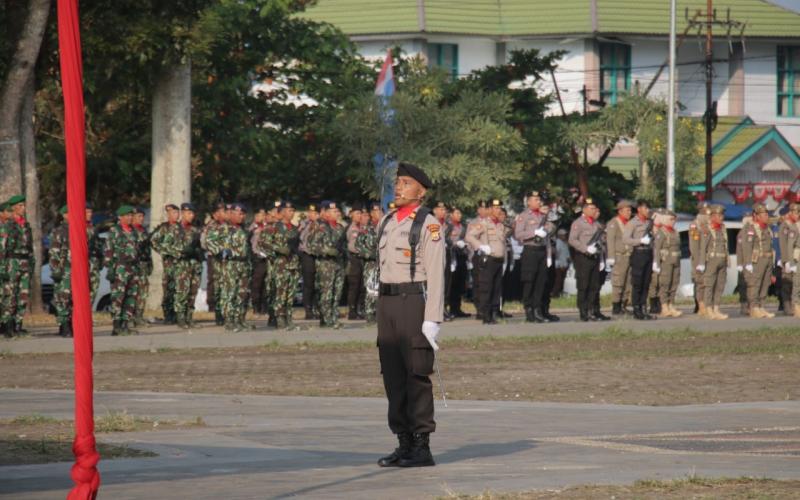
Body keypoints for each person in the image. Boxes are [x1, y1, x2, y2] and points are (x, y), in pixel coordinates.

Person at [375, 162, 444, 468]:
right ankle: (403, 442)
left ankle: (421, 445)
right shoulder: (387, 220)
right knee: (392, 375)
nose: (398, 187)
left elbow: (436, 274)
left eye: (405, 183)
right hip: (388, 302)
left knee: (416, 373)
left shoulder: (428, 224)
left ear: (421, 190)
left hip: (412, 301)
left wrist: (432, 319)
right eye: (397, 182)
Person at [259, 201, 301, 330]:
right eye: (289, 210)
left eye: (293, 210)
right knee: (280, 292)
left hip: (293, 264)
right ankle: (279, 317)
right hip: (280, 265)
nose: (292, 213)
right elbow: (263, 243)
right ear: (281, 212)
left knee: (290, 293)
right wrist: (278, 249)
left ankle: (288, 317)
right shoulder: (273, 227)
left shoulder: (294, 228)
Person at [466, 199, 508, 325]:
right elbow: (469, 236)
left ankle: (495, 313)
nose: (498, 210)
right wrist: (480, 246)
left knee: (496, 288)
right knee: (487, 287)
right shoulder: (483, 223)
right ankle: (486, 315)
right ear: (489, 210)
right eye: (495, 208)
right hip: (488, 259)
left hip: (499, 259)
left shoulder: (500, 225)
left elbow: (503, 243)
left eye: (499, 208)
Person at [515, 191, 553, 323]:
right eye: (535, 199)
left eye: (539, 199)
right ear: (529, 202)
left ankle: (537, 309)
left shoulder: (543, 216)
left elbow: (548, 235)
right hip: (530, 251)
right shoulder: (523, 216)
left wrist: (548, 255)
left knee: (540, 282)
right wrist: (534, 232)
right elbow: (518, 234)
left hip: (542, 251)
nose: (538, 202)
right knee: (529, 281)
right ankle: (529, 310)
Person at [307, 201, 346, 328]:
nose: (337, 213)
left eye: (338, 211)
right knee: (326, 292)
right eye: (334, 212)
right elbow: (311, 246)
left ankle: (334, 317)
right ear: (327, 214)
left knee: (337, 292)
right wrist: (326, 250)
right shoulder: (320, 227)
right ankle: (326, 318)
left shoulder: (340, 228)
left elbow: (344, 246)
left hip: (339, 263)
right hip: (325, 264)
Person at [105, 205, 140, 336]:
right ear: (120, 217)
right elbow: (109, 251)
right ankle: (116, 326)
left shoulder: (133, 231)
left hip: (133, 269)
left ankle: (126, 323)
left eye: (131, 215)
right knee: (118, 298)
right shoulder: (114, 231)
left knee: (131, 297)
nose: (130, 217)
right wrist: (110, 269)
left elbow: (137, 250)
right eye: (127, 215)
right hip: (120, 268)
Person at [568, 198, 604, 322]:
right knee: (584, 285)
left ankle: (591, 309)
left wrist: (598, 249)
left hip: (594, 257)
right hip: (583, 257)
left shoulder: (596, 223)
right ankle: (583, 311)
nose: (594, 210)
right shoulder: (578, 223)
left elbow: (601, 240)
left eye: (594, 208)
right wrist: (585, 248)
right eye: (591, 208)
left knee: (594, 285)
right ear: (584, 210)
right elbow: (572, 240)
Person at [4, 195, 34, 335]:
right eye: (20, 206)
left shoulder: (26, 226)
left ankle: (18, 324)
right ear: (14, 208)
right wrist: (3, 268)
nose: (23, 208)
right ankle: (8, 324)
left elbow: (30, 248)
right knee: (11, 295)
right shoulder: (8, 226)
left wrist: (32, 265)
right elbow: (2, 248)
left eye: (24, 205)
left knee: (24, 294)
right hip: (12, 262)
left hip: (25, 263)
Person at [172, 203, 204, 329]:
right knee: (182, 292)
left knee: (192, 292)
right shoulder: (175, 229)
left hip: (195, 265)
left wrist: (199, 251)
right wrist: (181, 251)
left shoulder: (195, 229)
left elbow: (202, 245)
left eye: (193, 213)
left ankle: (189, 318)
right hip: (182, 265)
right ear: (183, 213)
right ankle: (180, 319)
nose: (192, 216)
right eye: (189, 213)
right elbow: (168, 245)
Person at [622, 200, 655, 320]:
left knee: (646, 283)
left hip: (648, 253)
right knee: (638, 283)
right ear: (639, 209)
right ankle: (636, 309)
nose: (648, 211)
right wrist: (639, 241)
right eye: (646, 208)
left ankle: (643, 307)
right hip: (638, 254)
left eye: (649, 209)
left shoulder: (649, 222)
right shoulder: (632, 223)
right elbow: (625, 239)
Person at [741, 203, 775, 319]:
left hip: (768, 259)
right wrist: (748, 263)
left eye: (767, 214)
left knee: (765, 284)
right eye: (763, 214)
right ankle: (754, 308)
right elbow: (746, 246)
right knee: (755, 284)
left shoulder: (766, 228)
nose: (766, 216)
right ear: (756, 216)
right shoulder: (751, 228)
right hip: (757, 260)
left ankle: (761, 306)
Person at [150, 203, 181, 324]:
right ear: (168, 214)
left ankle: (178, 315)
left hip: (181, 264)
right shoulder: (164, 228)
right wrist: (165, 251)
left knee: (179, 290)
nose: (176, 215)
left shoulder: (181, 228)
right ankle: (168, 315)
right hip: (169, 264)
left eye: (177, 212)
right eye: (173, 213)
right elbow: (153, 241)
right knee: (168, 289)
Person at [698, 204, 729, 320]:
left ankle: (716, 308)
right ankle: (708, 309)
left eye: (722, 215)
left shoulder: (723, 228)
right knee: (709, 285)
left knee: (720, 285)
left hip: (722, 259)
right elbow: (703, 247)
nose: (722, 217)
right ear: (713, 216)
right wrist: (701, 262)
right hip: (711, 260)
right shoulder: (707, 229)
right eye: (719, 215)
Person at [355, 203, 381, 324]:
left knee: (382, 289)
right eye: (376, 211)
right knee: (371, 289)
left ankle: (380, 313)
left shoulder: (386, 228)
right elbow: (358, 247)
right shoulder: (366, 229)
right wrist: (369, 254)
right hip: (370, 264)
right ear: (371, 213)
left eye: (381, 210)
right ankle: (370, 314)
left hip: (384, 264)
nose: (379, 213)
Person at [49, 206, 73, 337]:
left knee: (74, 299)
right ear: (64, 215)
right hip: (64, 269)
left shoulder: (78, 229)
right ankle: (63, 325)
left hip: (76, 269)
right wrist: (56, 270)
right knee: (63, 298)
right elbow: (54, 252)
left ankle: (70, 324)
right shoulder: (59, 231)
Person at [605, 199, 632, 316]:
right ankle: (616, 306)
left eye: (630, 210)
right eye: (627, 210)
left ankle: (624, 304)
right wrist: (610, 256)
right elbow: (610, 240)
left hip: (629, 256)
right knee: (618, 282)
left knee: (628, 283)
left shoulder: (629, 223)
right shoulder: (614, 223)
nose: (629, 212)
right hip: (619, 256)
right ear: (620, 211)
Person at [201, 202, 227, 325]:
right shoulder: (211, 226)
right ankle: (214, 306)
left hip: (226, 260)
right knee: (214, 283)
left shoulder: (227, 226)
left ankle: (224, 311)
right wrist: (220, 250)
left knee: (225, 284)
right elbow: (205, 243)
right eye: (223, 211)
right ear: (216, 214)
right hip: (215, 258)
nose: (225, 213)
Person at [653, 210, 682, 318]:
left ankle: (671, 305)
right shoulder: (661, 232)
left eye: (674, 219)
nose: (673, 221)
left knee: (674, 283)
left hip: (676, 261)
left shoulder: (675, 231)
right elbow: (657, 248)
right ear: (665, 219)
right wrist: (656, 262)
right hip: (666, 262)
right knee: (665, 284)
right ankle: (664, 306)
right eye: (671, 219)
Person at [445, 207, 470, 318]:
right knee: (451, 284)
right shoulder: (448, 226)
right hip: (452, 256)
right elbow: (445, 239)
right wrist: (455, 243)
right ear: (451, 214)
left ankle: (457, 308)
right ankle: (449, 308)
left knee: (460, 283)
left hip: (461, 256)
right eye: (457, 213)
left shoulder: (463, 226)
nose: (459, 215)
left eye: (460, 213)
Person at [298, 204, 319, 320]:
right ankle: (308, 309)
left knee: (318, 284)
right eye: (310, 213)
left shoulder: (321, 224)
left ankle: (316, 308)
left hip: (318, 256)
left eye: (315, 213)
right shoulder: (304, 224)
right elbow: (301, 237)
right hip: (307, 255)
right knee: (308, 284)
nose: (312, 215)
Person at [468, 200, 489, 319]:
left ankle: (488, 308)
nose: (485, 210)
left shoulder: (491, 221)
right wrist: (471, 257)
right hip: (478, 255)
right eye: (483, 208)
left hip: (490, 255)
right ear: (478, 210)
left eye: (487, 208)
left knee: (488, 283)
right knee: (478, 283)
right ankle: (480, 309)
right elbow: (469, 240)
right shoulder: (473, 223)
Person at [346, 202, 366, 320]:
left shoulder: (362, 227)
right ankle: (352, 311)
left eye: (361, 213)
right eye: (357, 213)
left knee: (362, 286)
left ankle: (360, 309)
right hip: (354, 259)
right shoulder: (351, 228)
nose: (360, 216)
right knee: (354, 286)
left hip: (361, 259)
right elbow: (352, 246)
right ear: (352, 214)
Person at [778, 204, 799, 316]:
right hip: (787, 258)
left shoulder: (796, 225)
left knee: (795, 283)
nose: (797, 215)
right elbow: (783, 244)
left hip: (795, 258)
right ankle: (787, 306)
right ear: (790, 213)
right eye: (795, 213)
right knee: (787, 283)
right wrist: (785, 261)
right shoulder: (785, 226)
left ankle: (795, 305)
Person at [689, 203, 710, 315]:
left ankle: (707, 305)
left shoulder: (709, 224)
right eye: (705, 210)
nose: (707, 213)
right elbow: (694, 246)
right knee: (700, 282)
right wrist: (698, 262)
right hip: (698, 259)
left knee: (708, 282)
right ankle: (699, 305)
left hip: (709, 258)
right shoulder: (695, 225)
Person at [132, 207, 151, 327]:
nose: (141, 218)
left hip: (143, 265)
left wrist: (150, 263)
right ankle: (130, 316)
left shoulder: (144, 230)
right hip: (134, 266)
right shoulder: (131, 231)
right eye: (138, 216)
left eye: (142, 216)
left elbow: (147, 250)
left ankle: (139, 316)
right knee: (133, 292)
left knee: (143, 292)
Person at [249, 207, 269, 316]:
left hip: (267, 257)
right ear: (256, 217)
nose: (263, 217)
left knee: (266, 284)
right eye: (261, 215)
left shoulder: (267, 227)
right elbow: (251, 243)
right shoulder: (252, 228)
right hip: (257, 258)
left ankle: (264, 307)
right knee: (257, 284)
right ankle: (256, 307)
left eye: (264, 215)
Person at [736, 213, 752, 316]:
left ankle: (751, 306)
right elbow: (739, 249)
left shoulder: (752, 232)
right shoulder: (742, 233)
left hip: (752, 262)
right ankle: (744, 306)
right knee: (743, 285)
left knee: (751, 285)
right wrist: (739, 263)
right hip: (744, 263)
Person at [0, 201, 12, 337]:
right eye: (8, 212)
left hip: (7, 267)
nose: (10, 214)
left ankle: (5, 325)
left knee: (6, 295)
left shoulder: (9, 227)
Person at [551, 228, 570, 298]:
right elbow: (557, 255)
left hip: (565, 264)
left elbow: (567, 254)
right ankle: (555, 294)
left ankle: (559, 292)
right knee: (558, 280)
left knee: (562, 280)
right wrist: (560, 265)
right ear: (560, 235)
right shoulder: (558, 243)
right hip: (559, 265)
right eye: (564, 235)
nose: (565, 236)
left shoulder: (565, 243)